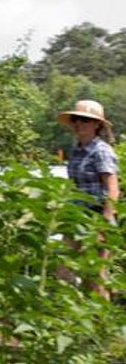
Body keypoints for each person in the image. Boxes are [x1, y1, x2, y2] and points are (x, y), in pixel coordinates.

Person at [57, 99, 119, 298]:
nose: (78, 124)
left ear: (97, 124)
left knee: (95, 277)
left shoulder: (101, 151)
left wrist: (105, 224)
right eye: (75, 119)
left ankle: (101, 325)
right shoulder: (75, 150)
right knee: (62, 270)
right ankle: (69, 319)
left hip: (96, 217)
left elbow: (112, 189)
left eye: (84, 120)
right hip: (76, 217)